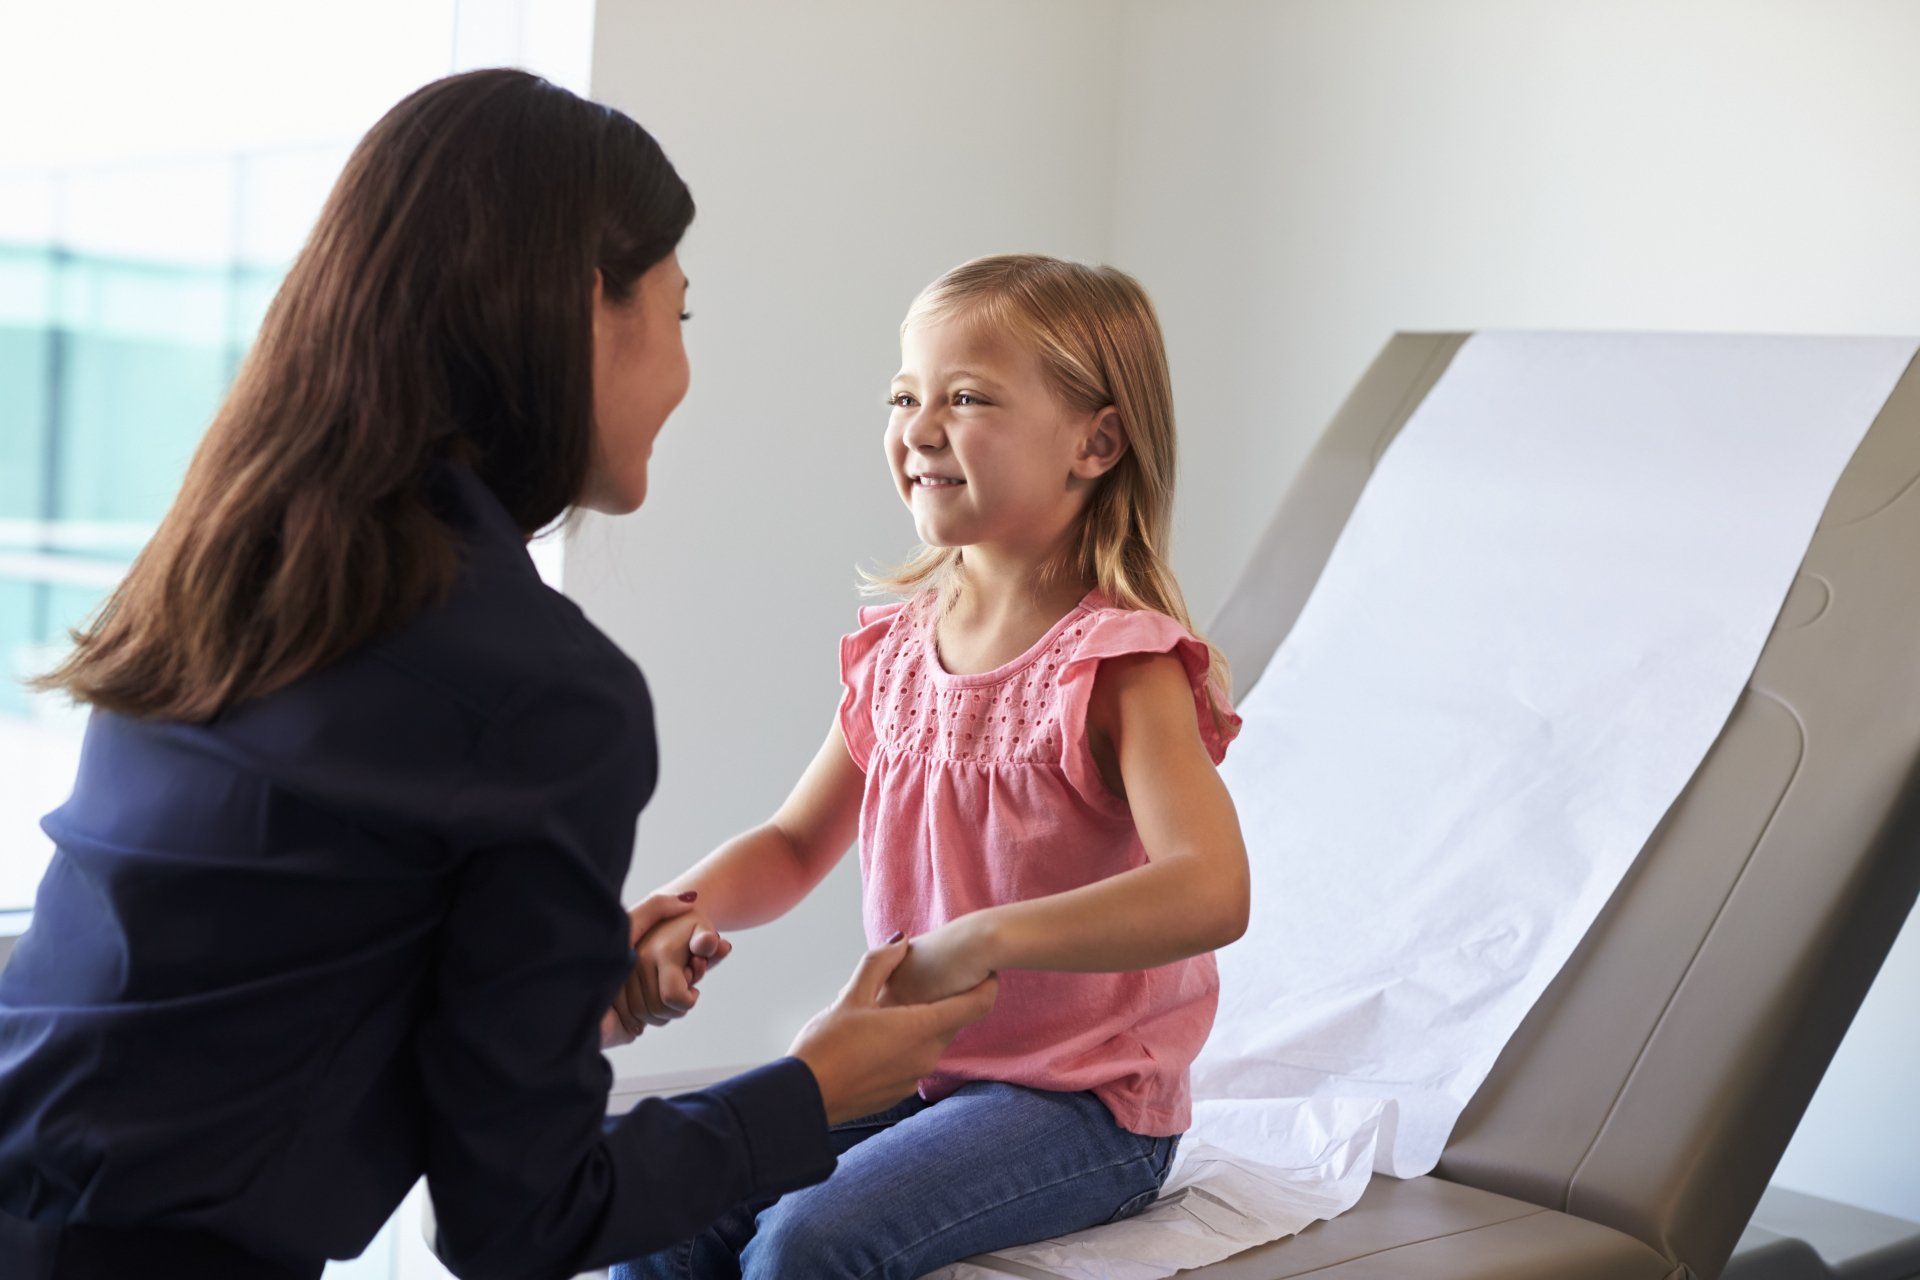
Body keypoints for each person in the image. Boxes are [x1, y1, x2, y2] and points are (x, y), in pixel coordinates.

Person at [0, 68, 994, 1280]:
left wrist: (568, 997)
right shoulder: (541, 689)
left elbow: (262, 973)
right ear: (588, 305)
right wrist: (813, 1088)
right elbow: (519, 1221)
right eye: (678, 317)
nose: (683, 374)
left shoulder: (232, 572)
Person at [607, 253, 1252, 1280]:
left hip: (1083, 1106)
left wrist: (982, 939)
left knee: (805, 1245)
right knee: (663, 1218)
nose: (918, 426)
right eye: (904, 395)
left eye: (966, 397)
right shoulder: (899, 652)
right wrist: (682, 903)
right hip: (917, 1070)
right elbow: (791, 843)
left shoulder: (1121, 663)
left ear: (1097, 440)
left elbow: (1212, 887)